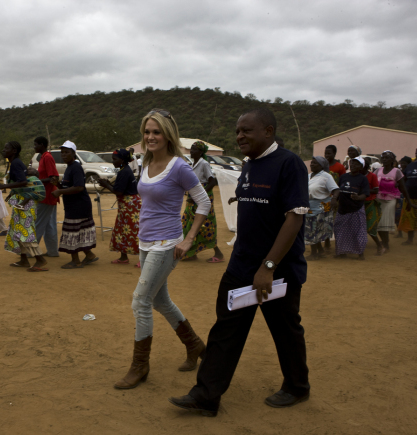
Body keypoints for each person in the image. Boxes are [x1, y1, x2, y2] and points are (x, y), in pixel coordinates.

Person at [168, 108, 310, 416]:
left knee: (285, 330)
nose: (239, 136)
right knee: (226, 330)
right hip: (242, 265)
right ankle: (206, 396)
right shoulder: (249, 165)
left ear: (268, 132)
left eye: (247, 130)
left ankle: (297, 388)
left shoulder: (289, 164)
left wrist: (268, 267)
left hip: (278, 269)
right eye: (237, 131)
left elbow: (294, 219)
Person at [113, 108, 209, 391]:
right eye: (147, 132)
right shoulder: (145, 162)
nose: (151, 136)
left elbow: (203, 202)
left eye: (156, 132)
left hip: (167, 243)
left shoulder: (180, 167)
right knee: (160, 301)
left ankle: (140, 366)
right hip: (146, 240)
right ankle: (195, 346)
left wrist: (189, 239)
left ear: (168, 135)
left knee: (141, 300)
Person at [0, 141, 49, 272]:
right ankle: (24, 259)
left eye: (6, 148)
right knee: (17, 231)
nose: (3, 150)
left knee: (25, 231)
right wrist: (12, 191)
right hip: (21, 201)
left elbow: (23, 181)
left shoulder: (16, 163)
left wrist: (4, 187)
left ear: (14, 151)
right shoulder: (15, 163)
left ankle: (40, 260)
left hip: (26, 203)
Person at [51, 141, 98, 268]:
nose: (64, 155)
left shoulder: (75, 167)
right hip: (75, 205)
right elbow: (69, 187)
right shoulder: (70, 167)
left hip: (78, 206)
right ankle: (89, 255)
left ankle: (75, 261)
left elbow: (79, 188)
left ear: (73, 153)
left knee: (72, 232)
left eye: (67, 152)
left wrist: (59, 191)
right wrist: (58, 185)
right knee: (80, 231)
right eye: (62, 152)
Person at [181, 140, 224, 263]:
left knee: (205, 225)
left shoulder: (204, 163)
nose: (191, 151)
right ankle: (191, 253)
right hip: (193, 198)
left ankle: (219, 254)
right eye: (191, 149)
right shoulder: (193, 163)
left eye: (194, 149)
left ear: (200, 152)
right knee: (188, 222)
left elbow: (212, 182)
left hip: (202, 198)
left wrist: (198, 196)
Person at [98, 148, 141, 264]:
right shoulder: (124, 170)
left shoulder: (124, 172)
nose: (113, 161)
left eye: (114, 159)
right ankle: (123, 257)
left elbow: (119, 192)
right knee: (122, 230)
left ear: (122, 160)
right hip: (126, 206)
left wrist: (106, 185)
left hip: (130, 206)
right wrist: (107, 183)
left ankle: (142, 259)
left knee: (133, 231)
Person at [374, 151, 414, 251]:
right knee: (378, 223)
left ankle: (386, 244)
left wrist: (408, 201)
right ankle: (383, 241)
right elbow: (372, 183)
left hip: (390, 200)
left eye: (387, 158)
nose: (384, 159)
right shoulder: (378, 170)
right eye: (383, 158)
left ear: (392, 160)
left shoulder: (397, 171)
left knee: (385, 222)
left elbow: (403, 188)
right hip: (378, 199)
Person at [334, 157, 370, 260]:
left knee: (358, 231)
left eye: (356, 164)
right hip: (343, 209)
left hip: (356, 209)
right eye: (352, 163)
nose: (353, 165)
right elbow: (338, 190)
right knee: (340, 230)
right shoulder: (343, 177)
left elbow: (365, 193)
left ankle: (360, 253)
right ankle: (341, 252)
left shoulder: (363, 179)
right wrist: (335, 200)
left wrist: (358, 197)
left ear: (361, 167)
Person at [305, 156, 339, 260]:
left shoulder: (326, 176)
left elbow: (336, 189)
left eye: (315, 163)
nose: (312, 164)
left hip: (321, 208)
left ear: (322, 165)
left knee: (314, 230)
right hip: (309, 207)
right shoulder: (308, 176)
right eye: (312, 162)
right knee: (311, 229)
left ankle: (315, 253)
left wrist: (334, 199)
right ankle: (320, 251)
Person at [33, 136, 60, 256]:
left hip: (47, 195)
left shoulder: (47, 157)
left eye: (36, 145)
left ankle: (30, 251)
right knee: (49, 224)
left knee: (38, 223)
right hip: (46, 195)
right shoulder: (43, 157)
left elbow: (53, 177)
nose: (34, 147)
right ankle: (53, 251)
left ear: (42, 145)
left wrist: (37, 181)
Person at [362, 157, 383, 255]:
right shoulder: (356, 176)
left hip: (370, 203)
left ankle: (379, 246)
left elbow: (376, 190)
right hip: (358, 204)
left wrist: (363, 191)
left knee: (371, 226)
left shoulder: (372, 176)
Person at [395, 156, 414, 239]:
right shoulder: (400, 172)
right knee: (397, 215)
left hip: (408, 196)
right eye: (401, 163)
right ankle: (399, 232)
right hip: (399, 196)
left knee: (408, 216)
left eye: (404, 163)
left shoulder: (410, 173)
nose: (402, 164)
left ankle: (410, 237)